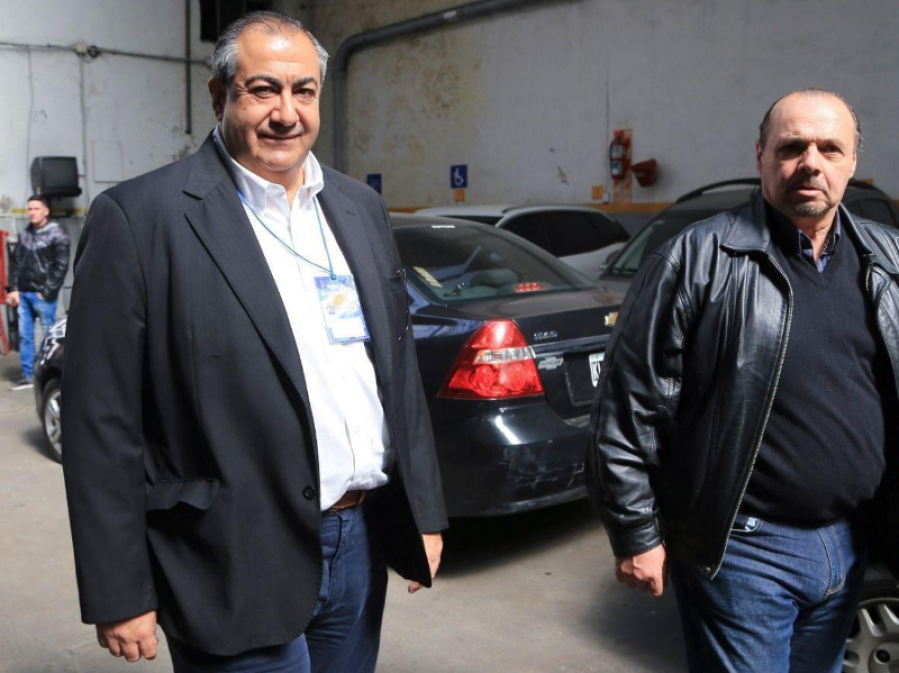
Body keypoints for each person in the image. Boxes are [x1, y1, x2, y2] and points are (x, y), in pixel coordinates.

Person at [62, 11, 447, 673]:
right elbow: (101, 421)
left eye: (303, 91)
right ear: (220, 97)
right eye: (262, 89)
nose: (286, 113)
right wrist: (119, 588)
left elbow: (395, 372)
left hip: (357, 540)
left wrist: (425, 512)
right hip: (227, 554)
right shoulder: (140, 219)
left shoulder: (358, 207)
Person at [587, 88, 899, 672]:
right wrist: (635, 533)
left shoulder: (886, 259)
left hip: (853, 539)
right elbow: (628, 408)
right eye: (792, 147)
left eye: (830, 149)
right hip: (746, 550)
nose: (810, 163)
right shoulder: (696, 259)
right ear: (761, 156)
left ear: (853, 161)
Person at [6, 194, 70, 391]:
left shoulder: (57, 235)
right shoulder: (25, 235)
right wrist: (14, 289)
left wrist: (48, 291)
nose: (32, 212)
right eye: (30, 209)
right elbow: (16, 264)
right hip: (24, 294)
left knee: (48, 336)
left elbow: (61, 266)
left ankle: (46, 375)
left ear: (46, 211)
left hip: (43, 296)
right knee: (25, 336)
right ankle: (28, 376)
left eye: (36, 208)